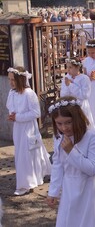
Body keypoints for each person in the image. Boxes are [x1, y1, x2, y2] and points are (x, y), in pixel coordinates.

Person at [46, 96, 95, 227]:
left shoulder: (92, 137)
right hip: (69, 186)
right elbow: (58, 165)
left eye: (68, 122)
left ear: (77, 118)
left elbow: (92, 169)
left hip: (90, 187)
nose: (64, 128)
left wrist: (71, 151)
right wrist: (53, 192)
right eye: (59, 124)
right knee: (67, 219)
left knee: (89, 221)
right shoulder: (59, 138)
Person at [6, 66, 51, 196]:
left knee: (27, 154)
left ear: (20, 79)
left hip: (28, 128)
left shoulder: (29, 93)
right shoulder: (12, 92)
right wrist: (12, 115)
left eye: (13, 80)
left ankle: (26, 183)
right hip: (18, 129)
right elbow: (10, 106)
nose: (11, 83)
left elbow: (36, 113)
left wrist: (18, 117)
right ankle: (32, 178)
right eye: (9, 80)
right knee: (21, 154)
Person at [60, 57, 94, 127]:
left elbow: (85, 95)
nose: (68, 70)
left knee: (82, 126)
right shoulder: (66, 78)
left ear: (78, 67)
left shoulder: (84, 78)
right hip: (69, 108)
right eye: (67, 67)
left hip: (81, 108)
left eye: (70, 67)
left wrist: (70, 85)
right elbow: (63, 95)